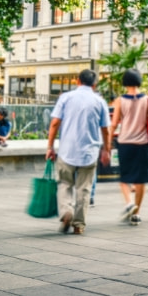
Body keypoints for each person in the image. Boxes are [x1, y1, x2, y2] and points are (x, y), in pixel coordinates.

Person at [46, 69, 110, 235]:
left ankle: (66, 211)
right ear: (94, 84)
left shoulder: (66, 98)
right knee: (84, 188)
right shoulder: (99, 101)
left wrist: (50, 147)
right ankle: (79, 225)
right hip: (89, 152)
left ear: (77, 81)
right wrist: (106, 150)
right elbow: (106, 130)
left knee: (64, 184)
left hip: (67, 150)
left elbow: (54, 124)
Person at [109, 69, 148, 226]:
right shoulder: (147, 100)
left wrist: (108, 142)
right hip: (143, 144)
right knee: (140, 180)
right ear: (139, 81)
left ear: (125, 82)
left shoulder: (120, 100)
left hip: (125, 142)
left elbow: (114, 123)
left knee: (124, 177)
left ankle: (129, 203)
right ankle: (136, 213)